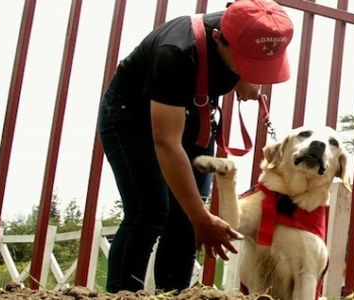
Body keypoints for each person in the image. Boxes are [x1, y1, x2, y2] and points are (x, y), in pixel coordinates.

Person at [99, 0, 294, 293]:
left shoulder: (257, 22)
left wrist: (246, 72)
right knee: (150, 211)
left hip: (193, 113)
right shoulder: (176, 53)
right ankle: (123, 295)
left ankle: (175, 295)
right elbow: (166, 143)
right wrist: (200, 217)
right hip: (133, 117)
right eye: (246, 61)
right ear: (218, 39)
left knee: (184, 222)